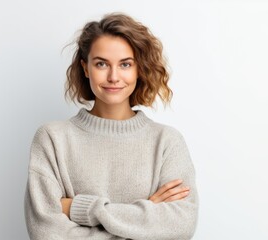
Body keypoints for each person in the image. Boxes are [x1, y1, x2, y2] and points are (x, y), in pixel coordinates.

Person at [24, 13, 198, 240]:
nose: (113, 76)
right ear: (85, 68)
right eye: (101, 64)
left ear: (139, 69)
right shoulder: (52, 139)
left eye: (125, 64)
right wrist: (146, 214)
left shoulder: (166, 142)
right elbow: (46, 233)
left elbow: (180, 226)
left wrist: (81, 208)